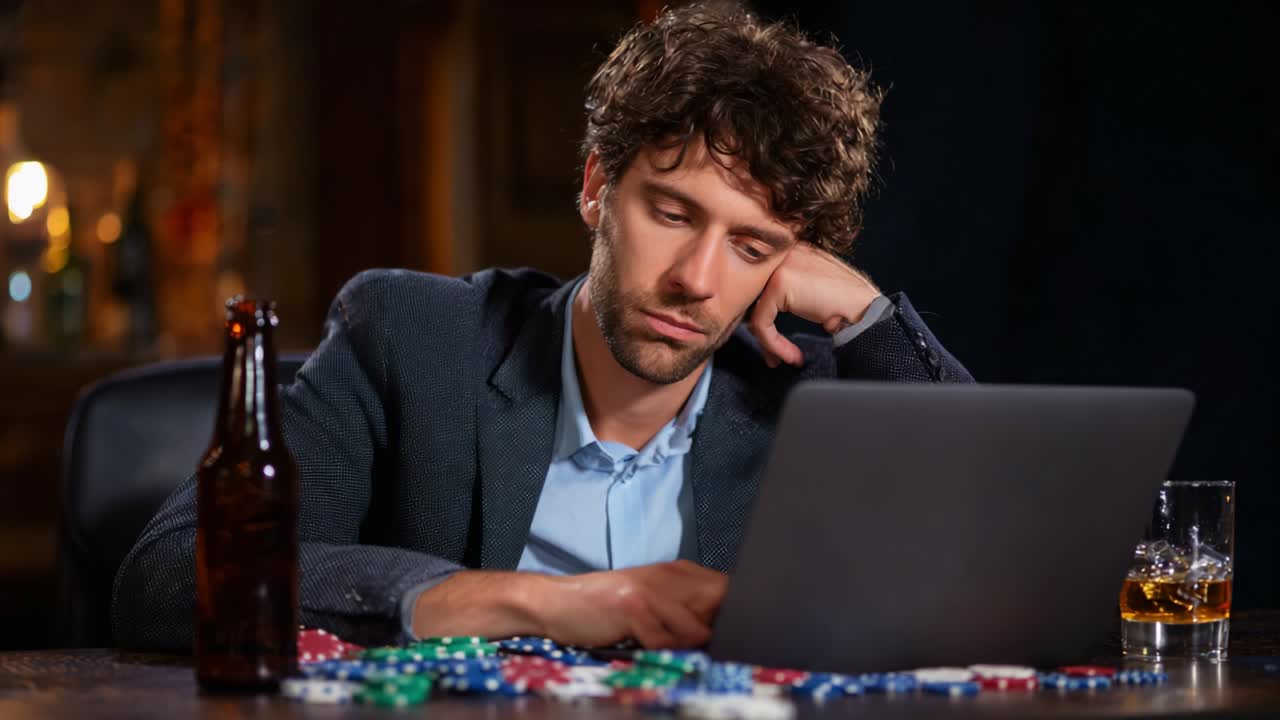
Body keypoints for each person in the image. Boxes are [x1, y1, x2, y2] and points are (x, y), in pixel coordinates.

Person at [113, 2, 972, 651]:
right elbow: (171, 575)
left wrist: (866, 314)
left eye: (751, 245)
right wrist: (543, 602)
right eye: (672, 213)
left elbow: (995, 560)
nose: (696, 281)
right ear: (598, 187)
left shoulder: (805, 389)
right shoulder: (410, 338)